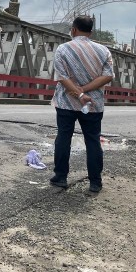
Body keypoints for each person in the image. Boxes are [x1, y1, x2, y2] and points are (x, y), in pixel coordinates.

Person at [50, 15, 114, 192]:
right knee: (93, 140)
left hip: (66, 102)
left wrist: (78, 94)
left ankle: (61, 177)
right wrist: (84, 91)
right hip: (93, 104)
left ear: (73, 30)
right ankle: (95, 182)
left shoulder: (63, 49)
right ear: (91, 32)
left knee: (63, 138)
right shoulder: (103, 51)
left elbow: (61, 77)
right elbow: (108, 75)